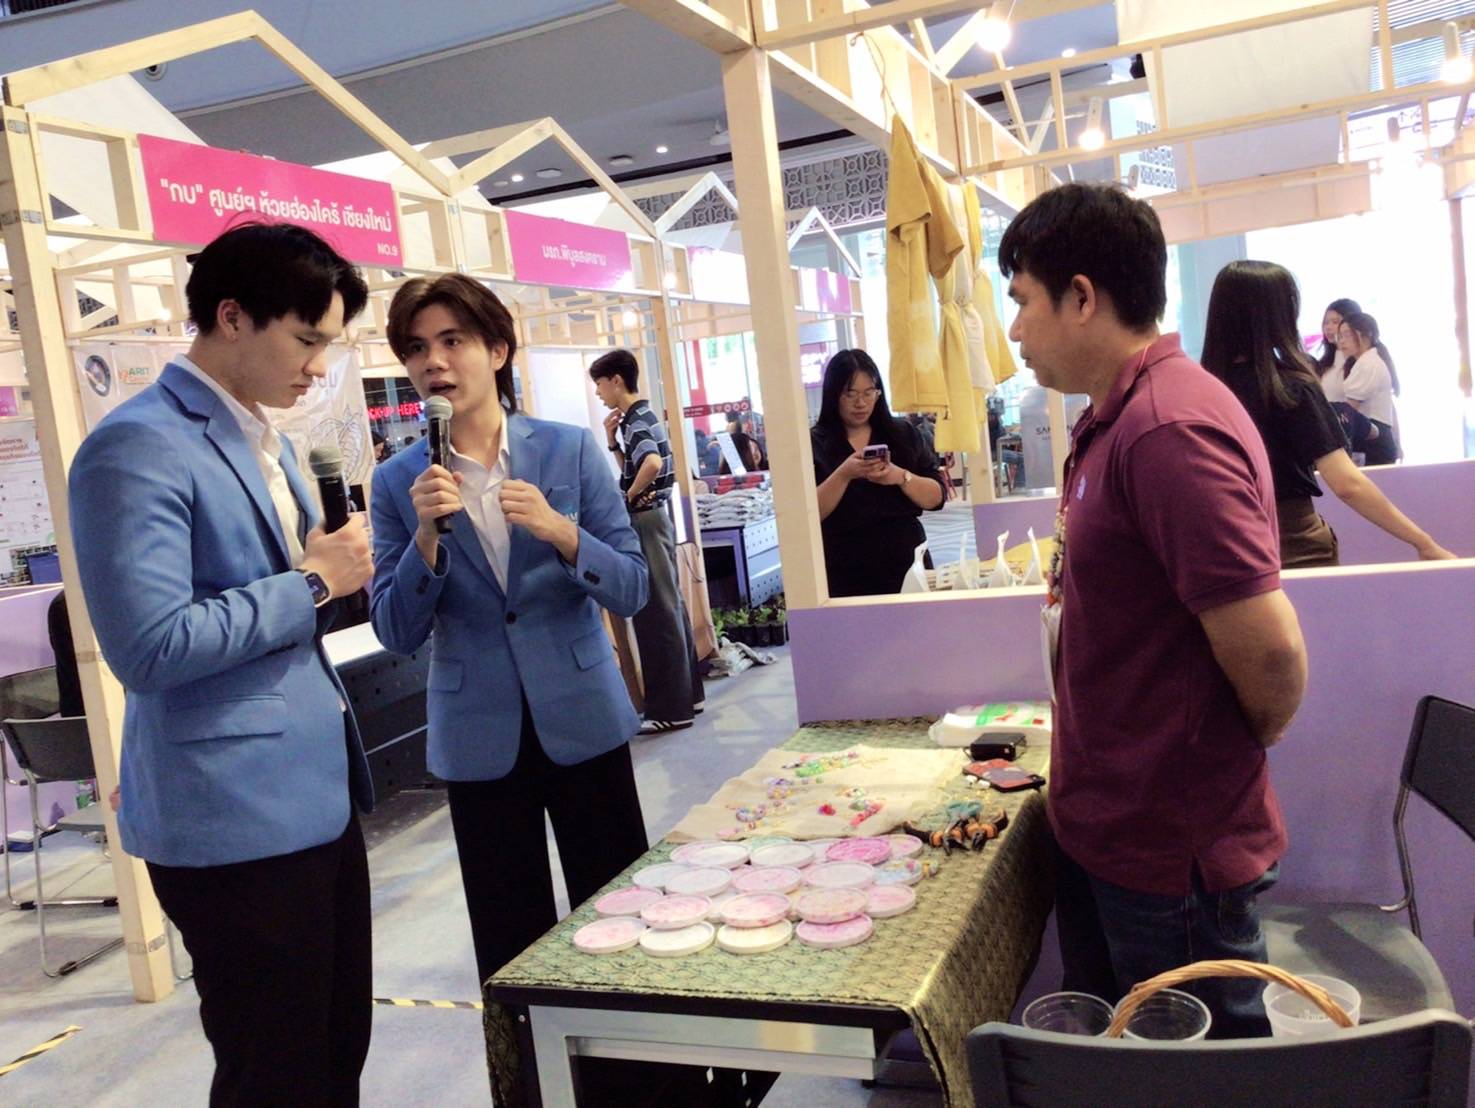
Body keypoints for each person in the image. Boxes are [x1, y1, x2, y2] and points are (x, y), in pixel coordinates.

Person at [68, 222, 375, 1106]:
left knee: (334, 1052)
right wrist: (312, 582)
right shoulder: (137, 445)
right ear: (232, 317)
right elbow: (149, 646)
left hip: (312, 796)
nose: (317, 367)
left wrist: (331, 573)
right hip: (231, 819)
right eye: (306, 339)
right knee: (274, 1073)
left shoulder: (263, 438)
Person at [998, 184, 1307, 1038]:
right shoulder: (1116, 418)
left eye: (1022, 301)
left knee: (1196, 1077)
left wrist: (1206, 764)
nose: (1015, 329)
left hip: (1167, 848)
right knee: (1122, 1060)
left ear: (1081, 296)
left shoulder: (1167, 428)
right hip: (1112, 826)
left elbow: (1272, 658)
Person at [370, 275, 650, 991]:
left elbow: (631, 586)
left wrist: (562, 533)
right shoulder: (398, 483)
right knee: (509, 942)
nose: (434, 361)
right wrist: (425, 540)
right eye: (416, 348)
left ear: (497, 350)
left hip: (582, 716)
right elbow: (396, 629)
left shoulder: (568, 450)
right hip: (477, 734)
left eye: (452, 340)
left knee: (621, 922)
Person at [1201, 262, 1454, 566]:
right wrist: (1423, 543)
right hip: (1294, 542)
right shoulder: (1290, 388)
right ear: (1278, 315)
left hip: (1223, 545)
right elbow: (1347, 484)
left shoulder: (1202, 390)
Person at [591, 348, 705, 733]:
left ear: (616, 380)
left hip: (645, 519)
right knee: (670, 605)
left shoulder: (637, 419)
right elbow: (640, 465)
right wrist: (613, 445)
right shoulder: (642, 417)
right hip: (657, 517)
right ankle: (689, 697)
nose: (598, 393)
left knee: (655, 610)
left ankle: (671, 708)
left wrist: (626, 497)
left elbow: (652, 464)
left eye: (600, 384)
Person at [810, 349, 944, 597]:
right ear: (833, 395)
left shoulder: (903, 434)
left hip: (907, 563)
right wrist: (843, 474)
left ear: (878, 393)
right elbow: (809, 514)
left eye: (868, 392)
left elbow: (936, 498)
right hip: (844, 569)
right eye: (850, 394)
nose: (860, 403)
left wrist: (900, 476)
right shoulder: (814, 443)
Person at [1337, 311, 1401, 465]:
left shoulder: (1367, 364)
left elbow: (1349, 411)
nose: (1342, 341)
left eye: (1347, 335)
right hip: (1375, 435)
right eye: (1340, 336)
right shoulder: (1369, 361)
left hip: (1373, 437)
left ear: (1366, 335)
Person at [1315, 297, 1361, 401]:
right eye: (1326, 322)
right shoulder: (1325, 363)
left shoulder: (1361, 362)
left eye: (1335, 322)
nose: (1328, 327)